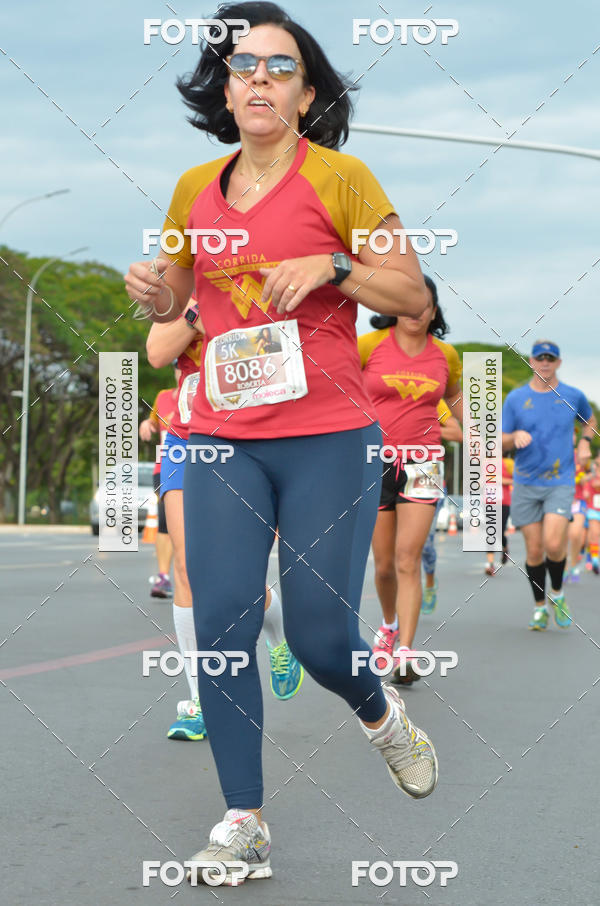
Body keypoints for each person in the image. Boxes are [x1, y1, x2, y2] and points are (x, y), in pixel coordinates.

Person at [125, 2, 439, 883]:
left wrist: (338, 267)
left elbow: (411, 297)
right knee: (221, 624)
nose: (257, 77)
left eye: (279, 66)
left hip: (330, 433)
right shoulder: (194, 187)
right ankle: (243, 820)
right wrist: (151, 292)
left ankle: (379, 712)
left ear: (306, 95)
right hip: (224, 433)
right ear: (224, 90)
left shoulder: (344, 179)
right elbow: (174, 305)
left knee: (314, 638)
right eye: (241, 66)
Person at [146, 300, 304, 740]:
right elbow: (158, 353)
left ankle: (278, 638)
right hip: (185, 442)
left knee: (236, 576)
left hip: (249, 444)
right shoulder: (186, 299)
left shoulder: (266, 294)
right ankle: (201, 702)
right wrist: (197, 310)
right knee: (187, 567)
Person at [358, 277, 462, 684]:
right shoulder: (369, 345)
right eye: (408, 302)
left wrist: (474, 433)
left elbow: (452, 396)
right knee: (383, 565)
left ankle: (405, 651)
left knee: (407, 557)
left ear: (433, 311)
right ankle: (388, 625)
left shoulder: (446, 355)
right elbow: (340, 385)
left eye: (424, 304)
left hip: (424, 463)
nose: (416, 311)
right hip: (373, 461)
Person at [502, 340, 596, 630]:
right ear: (531, 361)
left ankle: (557, 593)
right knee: (533, 551)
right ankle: (540, 606)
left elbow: (590, 421)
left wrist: (584, 443)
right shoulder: (515, 399)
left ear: (558, 363)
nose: (545, 363)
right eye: (540, 358)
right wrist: (514, 435)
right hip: (526, 482)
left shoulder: (573, 395)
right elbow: (500, 439)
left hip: (561, 481)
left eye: (550, 359)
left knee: (554, 544)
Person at [421, 401, 463, 614]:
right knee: (393, 548)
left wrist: (420, 425)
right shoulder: (384, 387)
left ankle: (429, 582)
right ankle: (393, 617)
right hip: (393, 467)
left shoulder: (434, 398)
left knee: (425, 543)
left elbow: (457, 433)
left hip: (428, 475)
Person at [139, 378, 177, 597]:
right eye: (177, 364)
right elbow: (155, 421)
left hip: (198, 463)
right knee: (165, 520)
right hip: (164, 467)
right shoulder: (163, 396)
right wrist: (147, 424)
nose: (181, 369)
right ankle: (163, 577)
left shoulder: (203, 390)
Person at [484, 456, 514, 576]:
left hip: (504, 502)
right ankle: (490, 564)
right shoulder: (485, 462)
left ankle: (505, 548)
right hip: (489, 501)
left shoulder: (508, 463)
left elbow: (515, 480)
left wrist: (499, 480)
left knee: (499, 531)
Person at [565, 450, 590, 583]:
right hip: (560, 500)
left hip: (577, 501)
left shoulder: (579, 454)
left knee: (575, 534)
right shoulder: (555, 450)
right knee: (561, 537)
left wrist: (585, 479)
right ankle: (563, 567)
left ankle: (573, 564)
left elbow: (585, 472)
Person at [581, 454, 600, 574]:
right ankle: (594, 560)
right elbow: (587, 488)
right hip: (593, 509)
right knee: (594, 534)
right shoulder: (591, 476)